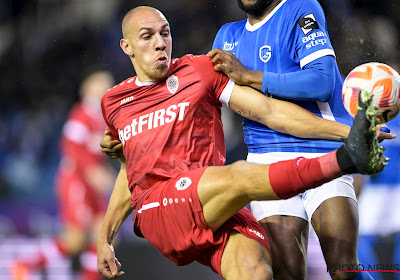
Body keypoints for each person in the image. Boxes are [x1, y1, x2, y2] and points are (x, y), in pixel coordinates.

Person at [96, 6, 390, 280]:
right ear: (127, 47)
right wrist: (105, 238)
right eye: (147, 37)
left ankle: (349, 152)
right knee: (239, 175)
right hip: (161, 206)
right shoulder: (114, 102)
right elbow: (132, 174)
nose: (160, 43)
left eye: (165, 33)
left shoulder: (198, 71)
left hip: (211, 205)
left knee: (260, 270)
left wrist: (347, 132)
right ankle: (346, 159)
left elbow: (270, 111)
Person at [207, 0, 391, 279]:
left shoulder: (301, 9)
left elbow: (322, 82)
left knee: (343, 268)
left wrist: (249, 76)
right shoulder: (227, 37)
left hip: (322, 150)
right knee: (287, 272)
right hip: (265, 158)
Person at [12, 70, 116, 280]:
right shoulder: (81, 114)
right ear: (86, 88)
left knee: (104, 235)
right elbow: (70, 147)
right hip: (76, 181)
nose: (105, 87)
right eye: (100, 83)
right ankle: (25, 264)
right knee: (75, 239)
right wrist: (92, 172)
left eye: (108, 84)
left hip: (91, 184)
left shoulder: (102, 117)